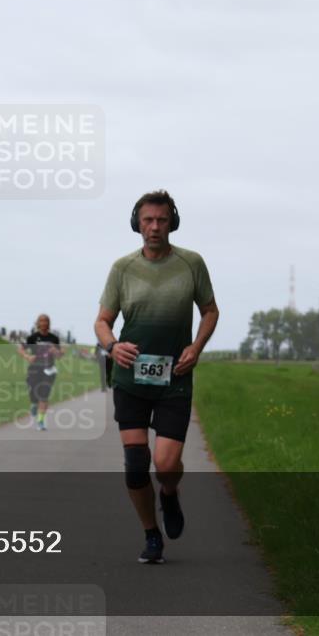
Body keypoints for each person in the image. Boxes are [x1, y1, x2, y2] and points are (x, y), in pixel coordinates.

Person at [94, 190, 218, 564]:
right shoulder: (122, 268)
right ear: (137, 224)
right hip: (131, 379)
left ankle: (169, 493)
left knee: (165, 465)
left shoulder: (191, 263)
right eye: (147, 220)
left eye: (161, 220)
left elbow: (210, 311)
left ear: (172, 223)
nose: (154, 227)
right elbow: (102, 321)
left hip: (174, 379)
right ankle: (151, 534)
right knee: (135, 465)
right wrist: (113, 346)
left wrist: (195, 348)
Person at [18, 314, 63, 431]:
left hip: (49, 370)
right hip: (34, 369)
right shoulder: (33, 337)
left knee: (44, 396)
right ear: (38, 323)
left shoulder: (54, 338)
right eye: (41, 321)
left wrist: (56, 352)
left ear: (49, 323)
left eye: (46, 321)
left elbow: (60, 355)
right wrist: (27, 356)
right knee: (33, 391)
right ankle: (33, 403)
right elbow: (20, 348)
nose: (44, 323)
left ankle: (40, 421)